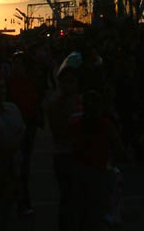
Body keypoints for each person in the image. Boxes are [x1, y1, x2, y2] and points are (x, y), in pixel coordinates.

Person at [71, 89, 127, 231]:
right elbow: (119, 147)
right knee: (101, 212)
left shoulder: (78, 125)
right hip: (100, 172)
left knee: (86, 213)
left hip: (83, 172)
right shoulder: (105, 124)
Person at [0, 72, 26, 230]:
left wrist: (14, 145)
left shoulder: (12, 108)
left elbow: (21, 129)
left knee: (11, 205)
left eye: (3, 87)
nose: (2, 91)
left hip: (13, 164)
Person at [47, 66, 83, 231]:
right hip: (64, 155)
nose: (68, 85)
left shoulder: (83, 103)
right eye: (65, 82)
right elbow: (58, 132)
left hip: (83, 156)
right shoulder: (55, 105)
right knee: (68, 199)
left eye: (72, 82)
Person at [8, 50, 43, 216]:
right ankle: (18, 199)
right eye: (14, 64)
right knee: (15, 165)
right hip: (12, 127)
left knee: (23, 166)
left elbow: (35, 104)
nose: (16, 67)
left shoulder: (31, 82)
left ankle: (22, 201)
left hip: (28, 126)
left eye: (19, 64)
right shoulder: (9, 83)